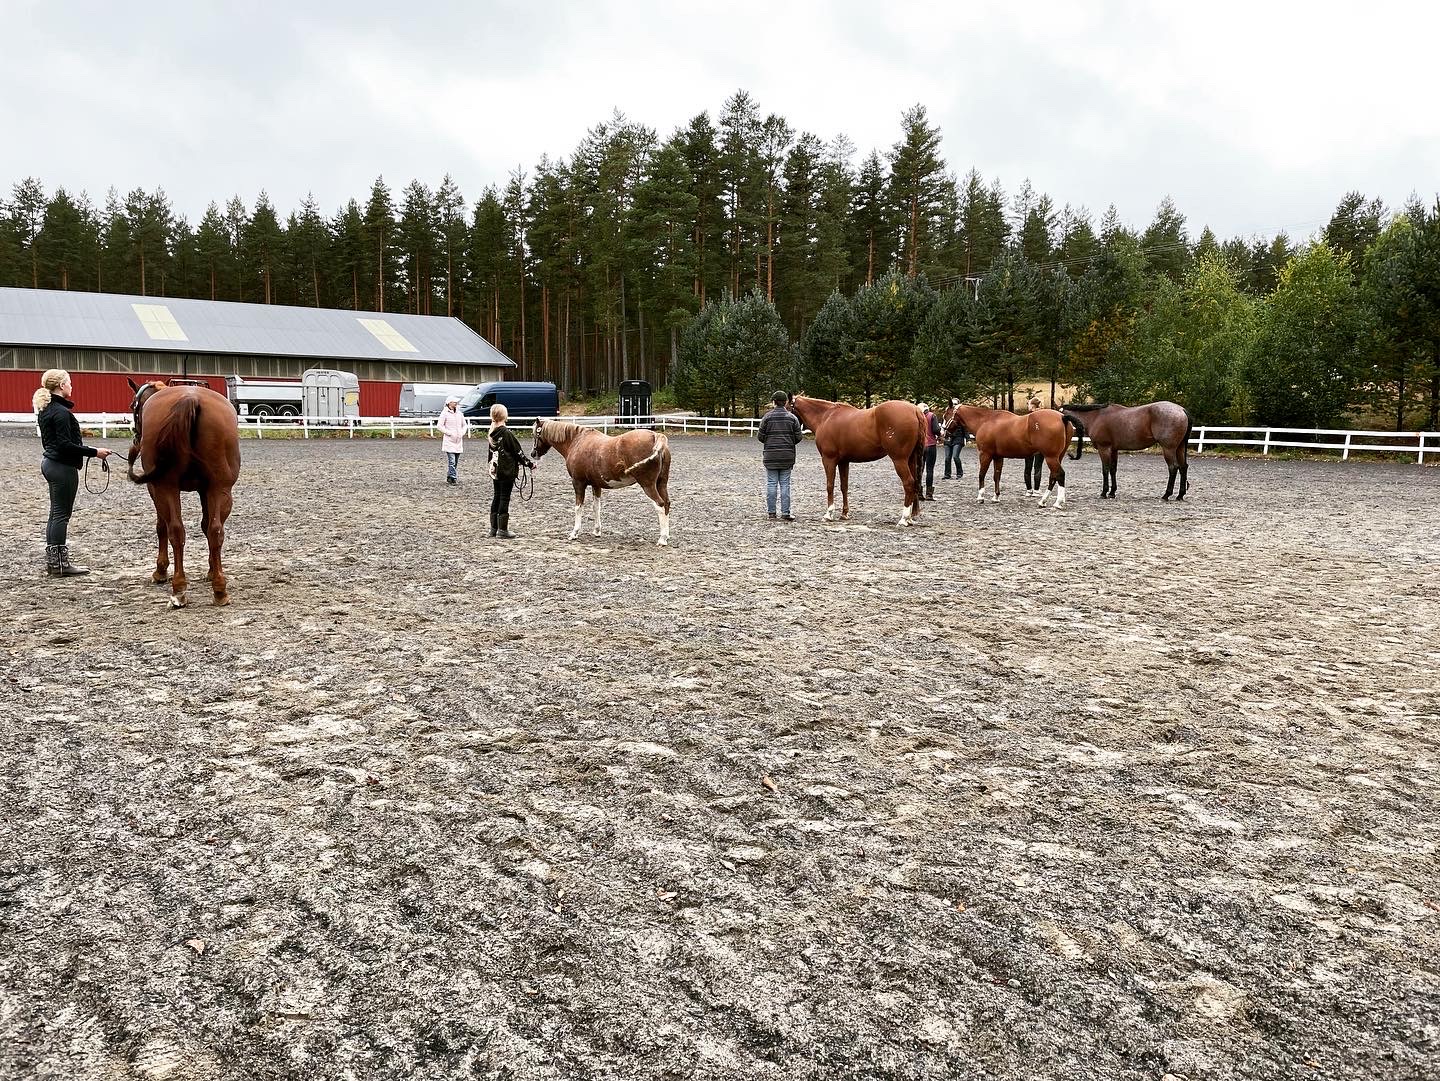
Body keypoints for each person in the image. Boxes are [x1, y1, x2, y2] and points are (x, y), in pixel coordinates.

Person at [33, 369, 112, 576]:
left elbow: (60, 443)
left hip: (51, 464)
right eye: (69, 383)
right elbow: (65, 445)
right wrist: (95, 452)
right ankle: (61, 565)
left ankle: (55, 563)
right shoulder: (60, 412)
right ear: (61, 386)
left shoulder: (47, 409)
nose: (71, 386)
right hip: (62, 467)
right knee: (61, 515)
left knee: (55, 514)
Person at [487, 403, 534, 539]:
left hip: (496, 471)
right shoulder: (506, 433)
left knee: (497, 496)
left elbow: (491, 454)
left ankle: (493, 529)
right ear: (505, 416)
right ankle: (502, 529)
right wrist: (529, 464)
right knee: (504, 498)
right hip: (506, 470)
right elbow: (517, 452)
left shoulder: (492, 433)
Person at [757, 391, 803, 520]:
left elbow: (760, 437)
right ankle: (786, 513)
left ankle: (772, 513)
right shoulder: (792, 418)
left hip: (770, 456)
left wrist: (770, 441)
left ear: (774, 402)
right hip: (787, 456)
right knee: (785, 484)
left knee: (771, 483)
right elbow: (798, 437)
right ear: (785, 402)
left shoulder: (766, 417)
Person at [436, 394, 467, 484]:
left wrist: (462, 432)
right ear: (449, 403)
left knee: (455, 461)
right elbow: (439, 426)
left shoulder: (460, 413)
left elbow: (464, 425)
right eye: (454, 402)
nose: (456, 403)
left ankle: (450, 476)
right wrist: (449, 433)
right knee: (452, 461)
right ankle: (453, 477)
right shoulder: (444, 413)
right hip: (449, 441)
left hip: (458, 440)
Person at [919, 402, 941, 500]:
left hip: (920, 446)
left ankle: (919, 493)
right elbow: (936, 429)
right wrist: (940, 433)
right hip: (931, 445)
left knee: (919, 469)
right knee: (929, 470)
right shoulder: (932, 416)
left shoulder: (917, 417)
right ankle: (929, 494)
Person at [1024, 393, 1045, 496]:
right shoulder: (1043, 417)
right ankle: (1036, 490)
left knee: (1027, 467)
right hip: (1039, 446)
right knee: (1038, 467)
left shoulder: (1027, 417)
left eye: (1028, 404)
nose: (1027, 406)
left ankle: (1028, 490)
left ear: (1032, 406)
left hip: (1028, 445)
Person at [942, 397, 965, 480]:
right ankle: (947, 474)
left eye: (955, 404)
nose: (954, 405)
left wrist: (966, 438)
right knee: (947, 458)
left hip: (958, 438)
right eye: (953, 404)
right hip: (948, 437)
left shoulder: (961, 415)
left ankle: (959, 473)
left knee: (955, 456)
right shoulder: (947, 413)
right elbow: (944, 425)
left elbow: (965, 427)